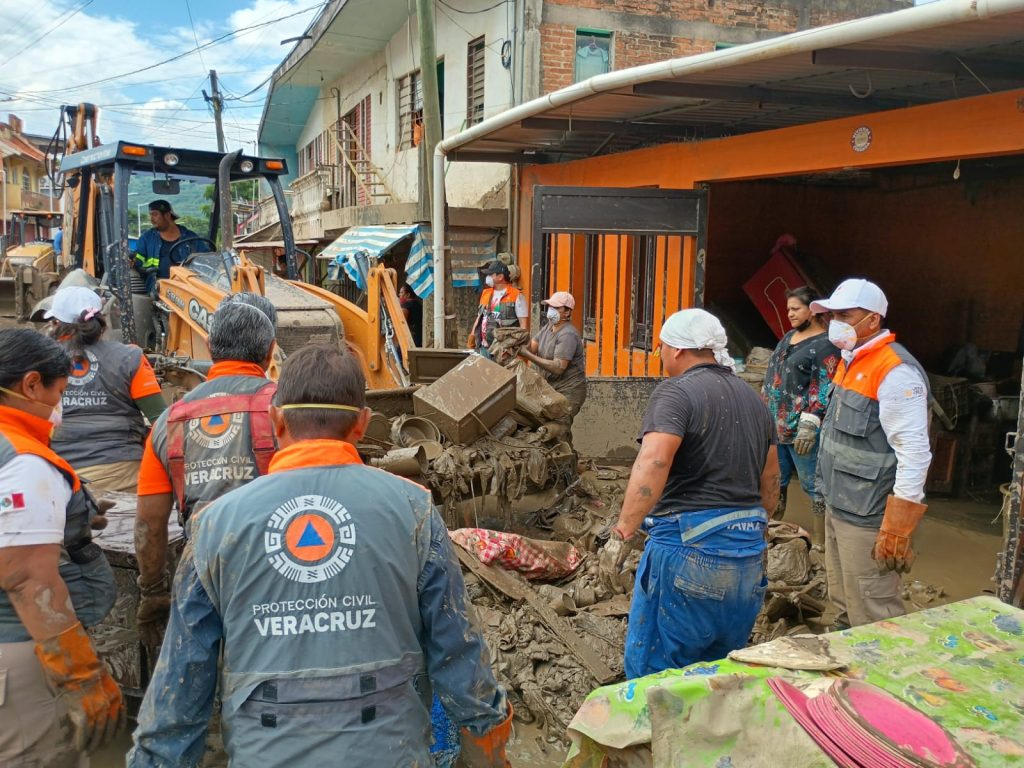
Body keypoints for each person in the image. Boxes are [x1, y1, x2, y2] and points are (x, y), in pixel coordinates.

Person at [128, 343, 512, 768]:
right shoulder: (414, 511)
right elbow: (458, 651)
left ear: (276, 421)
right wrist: (488, 743)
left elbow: (179, 695)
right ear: (363, 424)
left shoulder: (215, 526)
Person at [608, 309, 779, 679]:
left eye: (662, 348)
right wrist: (752, 533)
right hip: (748, 560)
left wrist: (624, 529)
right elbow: (771, 479)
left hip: (689, 553)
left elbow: (654, 461)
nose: (660, 355)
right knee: (718, 672)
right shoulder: (754, 401)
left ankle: (650, 734)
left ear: (679, 351)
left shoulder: (676, 392)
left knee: (658, 672)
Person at [0, 328, 123, 765]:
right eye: (60, 392)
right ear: (31, 384)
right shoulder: (23, 462)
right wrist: (81, 676)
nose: (60, 406)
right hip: (20, 653)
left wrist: (66, 515)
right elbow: (27, 580)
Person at [133, 293, 278, 646]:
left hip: (200, 571)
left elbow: (149, 524)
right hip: (278, 569)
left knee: (193, 680)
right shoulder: (286, 408)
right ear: (271, 350)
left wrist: (152, 589)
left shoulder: (169, 421)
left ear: (211, 346)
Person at [810, 278, 932, 628]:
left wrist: (898, 525)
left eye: (845, 315)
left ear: (873, 320)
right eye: (833, 315)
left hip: (868, 515)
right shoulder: (851, 360)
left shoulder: (895, 371)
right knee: (844, 602)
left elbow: (914, 451)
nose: (836, 323)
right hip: (840, 503)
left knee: (874, 611)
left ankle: (888, 679)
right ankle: (849, 677)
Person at [49, 285, 167, 493]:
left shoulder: (40, 361)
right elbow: (162, 422)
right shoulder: (131, 358)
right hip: (124, 475)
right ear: (100, 319)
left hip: (59, 476)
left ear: (57, 323)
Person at [761, 286, 840, 541]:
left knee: (813, 484)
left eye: (796, 309)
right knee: (776, 479)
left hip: (803, 430)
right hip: (776, 426)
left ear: (814, 310)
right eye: (788, 310)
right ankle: (773, 529)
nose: (790, 314)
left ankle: (821, 542)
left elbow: (824, 386)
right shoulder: (788, 337)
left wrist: (811, 422)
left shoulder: (827, 345)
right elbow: (773, 375)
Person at [519, 290, 588, 433]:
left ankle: (565, 453)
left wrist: (528, 355)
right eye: (550, 307)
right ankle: (565, 453)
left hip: (569, 390)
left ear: (567, 312)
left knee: (558, 427)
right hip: (550, 388)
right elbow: (532, 347)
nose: (551, 311)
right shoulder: (547, 327)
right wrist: (516, 345)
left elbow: (558, 367)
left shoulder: (568, 334)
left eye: (556, 308)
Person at [133, 199, 200, 294]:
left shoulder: (190, 238)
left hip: (187, 289)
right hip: (157, 289)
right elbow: (137, 259)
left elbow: (205, 260)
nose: (151, 219)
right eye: (150, 215)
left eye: (155, 215)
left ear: (167, 215)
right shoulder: (146, 239)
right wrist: (132, 261)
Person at [467, 258, 527, 358]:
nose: (488, 277)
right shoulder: (486, 293)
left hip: (504, 351)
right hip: (483, 347)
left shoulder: (516, 296)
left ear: (500, 277)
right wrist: (471, 341)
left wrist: (515, 351)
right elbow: (479, 318)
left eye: (491, 274)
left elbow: (523, 327)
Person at [399, 282, 423, 347]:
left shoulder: (406, 305)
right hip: (420, 337)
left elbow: (401, 323)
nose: (399, 295)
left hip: (411, 339)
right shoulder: (419, 305)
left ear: (408, 294)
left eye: (401, 293)